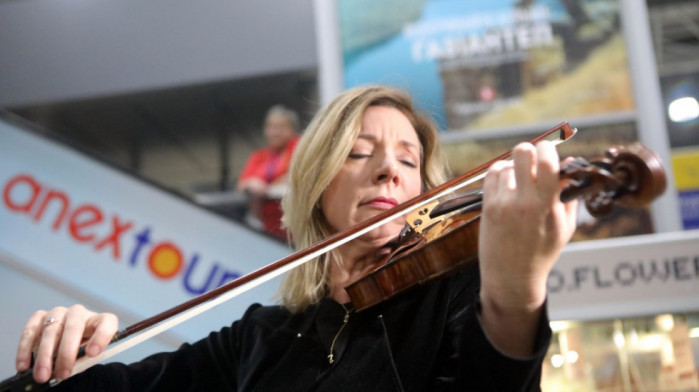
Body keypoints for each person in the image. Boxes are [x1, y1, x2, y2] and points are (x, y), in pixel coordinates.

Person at [14, 86, 578, 391]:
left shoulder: (454, 298)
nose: (389, 170)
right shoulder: (260, 337)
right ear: (315, 185)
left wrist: (516, 290)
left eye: (409, 161)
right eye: (360, 152)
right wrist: (72, 355)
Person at [237, 105, 300, 239]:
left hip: (297, 225)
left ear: (292, 129)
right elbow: (242, 184)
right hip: (269, 228)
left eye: (281, 127)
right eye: (271, 127)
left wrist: (267, 188)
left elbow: (301, 174)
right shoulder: (259, 156)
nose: (275, 132)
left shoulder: (300, 147)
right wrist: (251, 183)